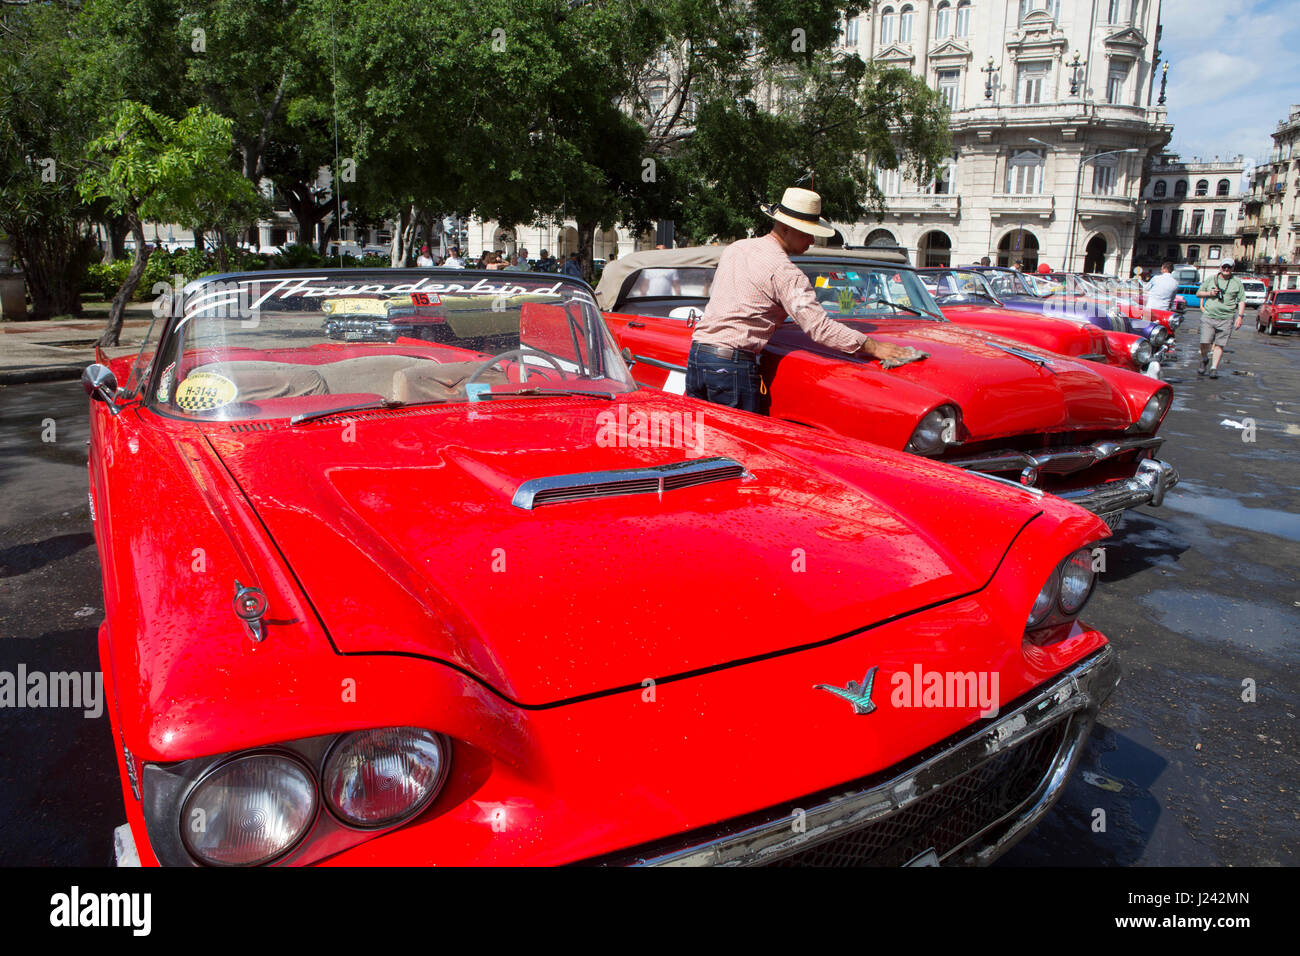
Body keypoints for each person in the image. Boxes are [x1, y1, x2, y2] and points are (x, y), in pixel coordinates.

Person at [686, 186, 925, 415]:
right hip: (732, 366)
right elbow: (819, 327)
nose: (811, 241)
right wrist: (874, 346)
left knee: (710, 443)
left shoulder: (736, 248)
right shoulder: (785, 272)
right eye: (806, 233)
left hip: (698, 356)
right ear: (785, 228)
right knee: (740, 448)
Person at [1197, 258, 1245, 378]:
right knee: (1204, 342)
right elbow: (1198, 293)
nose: (1226, 269)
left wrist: (1240, 316)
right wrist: (1210, 293)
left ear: (1233, 268)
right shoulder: (1211, 279)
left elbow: (1242, 300)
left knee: (1219, 344)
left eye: (1229, 267)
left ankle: (1214, 368)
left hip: (1226, 318)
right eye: (1224, 267)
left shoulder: (1237, 282)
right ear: (1220, 267)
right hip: (1209, 316)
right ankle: (1204, 359)